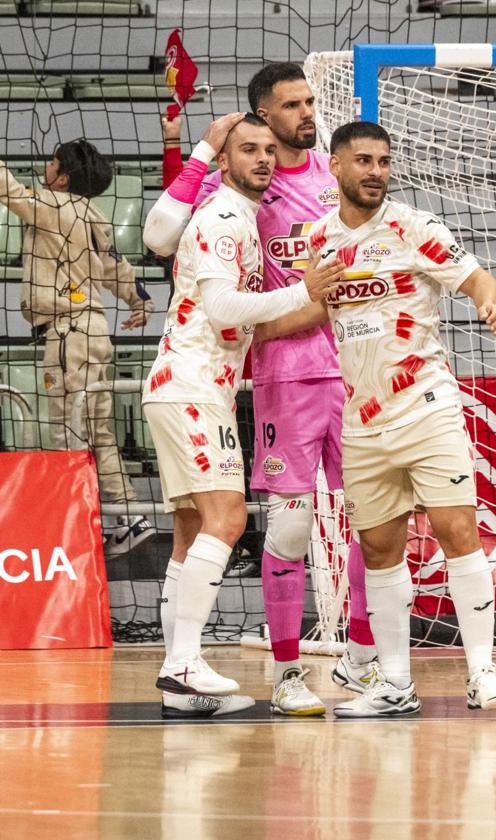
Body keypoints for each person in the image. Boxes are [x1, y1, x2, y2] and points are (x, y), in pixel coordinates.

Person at [144, 63, 381, 717]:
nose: (266, 158)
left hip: (215, 383)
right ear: (234, 148)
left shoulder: (308, 186)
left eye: (268, 152)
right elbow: (206, 287)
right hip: (216, 382)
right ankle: (212, 666)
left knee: (197, 529)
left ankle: (186, 680)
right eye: (250, 147)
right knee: (243, 521)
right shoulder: (227, 213)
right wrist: (305, 296)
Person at [258, 120, 496, 716]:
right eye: (365, 161)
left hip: (424, 406)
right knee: (378, 547)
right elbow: (312, 309)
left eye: (384, 161)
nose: (377, 171)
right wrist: (256, 330)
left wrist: (486, 298)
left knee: (458, 532)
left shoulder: (412, 226)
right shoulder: (318, 239)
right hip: (362, 418)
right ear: (338, 167)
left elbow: (474, 274)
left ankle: (482, 672)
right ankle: (394, 682)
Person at [0, 140, 155, 552]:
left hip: (68, 334)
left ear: (62, 177)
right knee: (96, 430)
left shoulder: (52, 205)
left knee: (67, 430)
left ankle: (74, 523)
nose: (45, 166)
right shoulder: (96, 215)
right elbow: (118, 269)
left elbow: (8, 189)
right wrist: (140, 299)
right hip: (95, 332)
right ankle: (128, 516)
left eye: (52, 162)